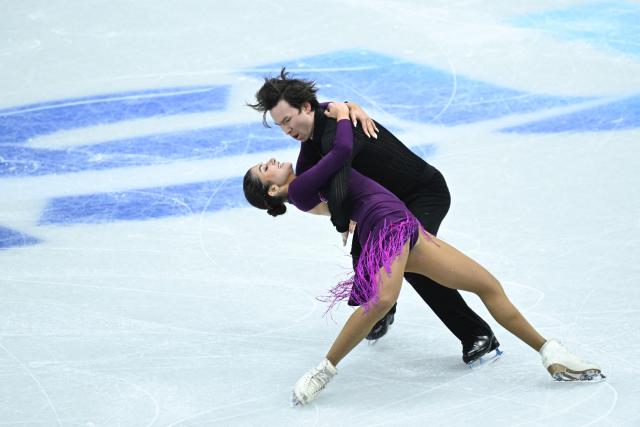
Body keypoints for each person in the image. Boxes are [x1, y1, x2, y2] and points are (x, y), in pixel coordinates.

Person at [243, 102, 605, 405]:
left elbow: (313, 135)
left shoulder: (307, 172)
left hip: (404, 222)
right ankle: (323, 370)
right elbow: (336, 149)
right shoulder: (303, 188)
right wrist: (341, 112)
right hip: (385, 225)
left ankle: (550, 353)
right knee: (382, 300)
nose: (273, 158)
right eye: (265, 168)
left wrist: (341, 108)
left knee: (487, 285)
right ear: (273, 192)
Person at [248, 68, 499, 366]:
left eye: (287, 120)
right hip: (387, 208)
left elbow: (338, 171)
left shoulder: (337, 129)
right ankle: (382, 306)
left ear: (304, 107)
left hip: (422, 193)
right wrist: (343, 218)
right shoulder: (316, 135)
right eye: (280, 125)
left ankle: (475, 334)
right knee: (362, 252)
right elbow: (314, 188)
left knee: (414, 265)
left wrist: (342, 220)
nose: (286, 130)